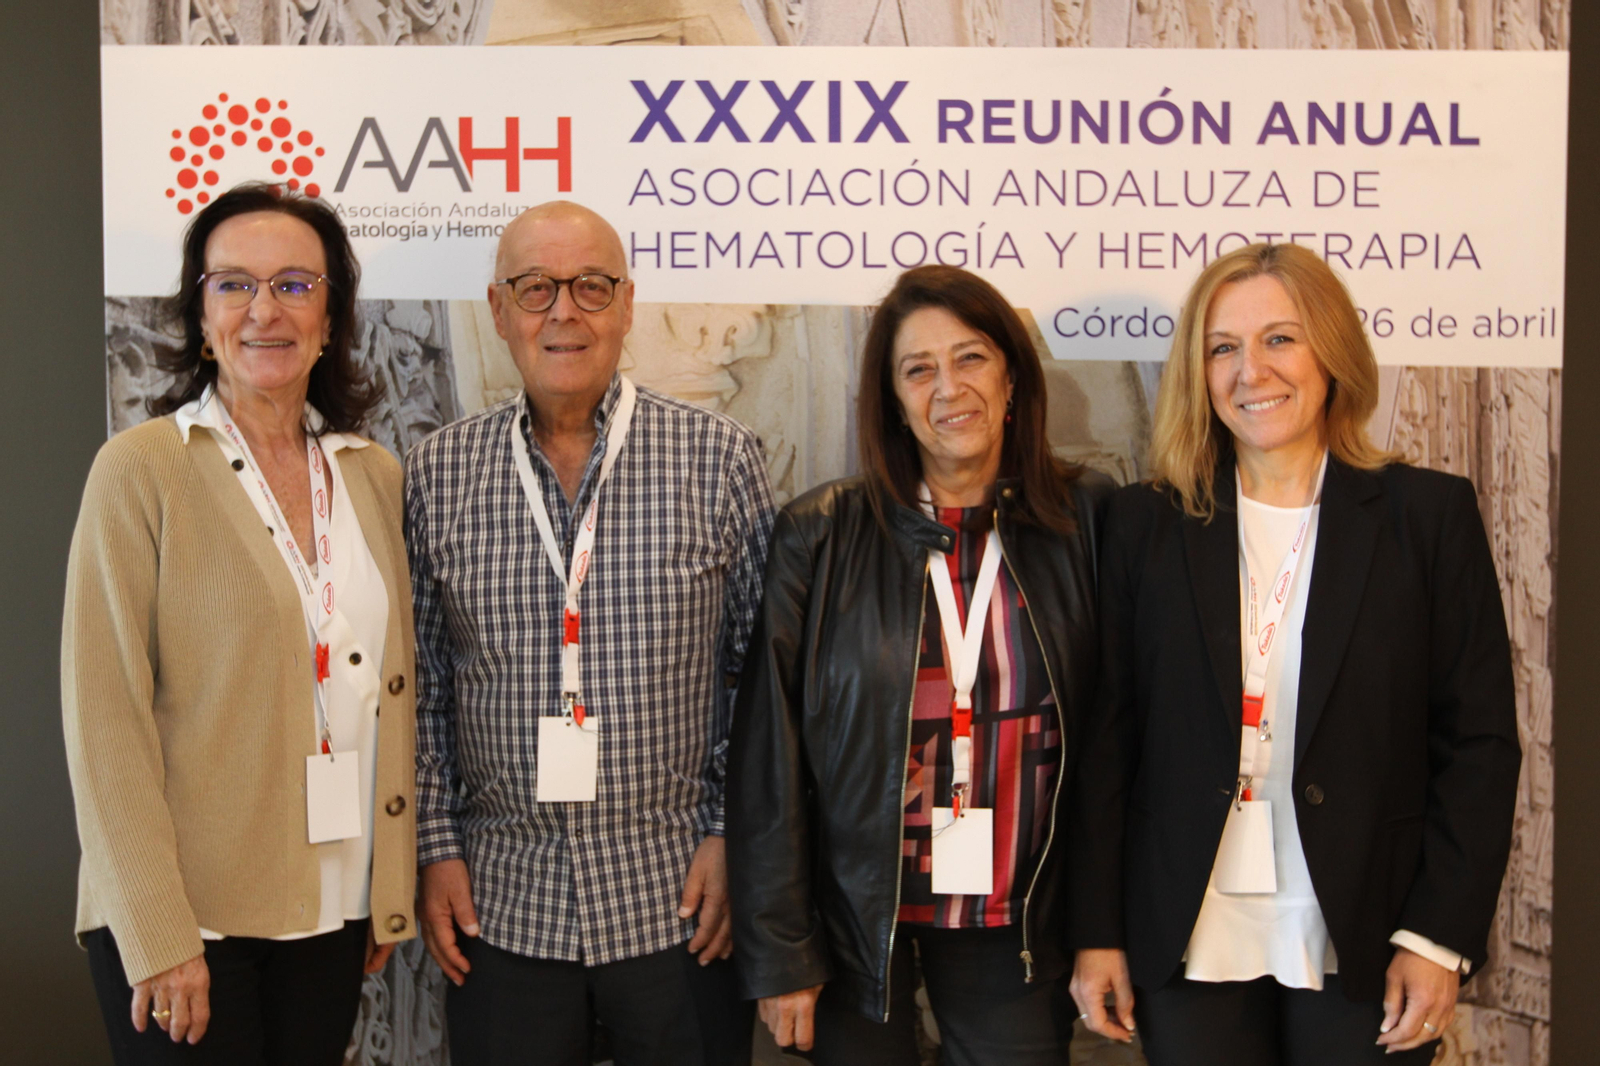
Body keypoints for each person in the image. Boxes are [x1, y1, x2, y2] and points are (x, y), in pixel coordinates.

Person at [1067, 242, 1521, 1065]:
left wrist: (1438, 934)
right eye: (1223, 347)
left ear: (1332, 353)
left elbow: (1479, 745)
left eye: (1280, 338)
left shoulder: (1427, 517)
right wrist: (1097, 929)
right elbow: (1108, 742)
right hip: (1188, 930)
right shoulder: (1145, 525)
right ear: (1197, 373)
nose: (1252, 371)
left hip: (1368, 932)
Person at [405, 201, 775, 1066]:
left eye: (591, 286)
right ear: (499, 310)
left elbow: (758, 679)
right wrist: (436, 848)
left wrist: (729, 834)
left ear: (627, 304)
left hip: (679, 900)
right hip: (500, 904)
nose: (563, 310)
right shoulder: (437, 472)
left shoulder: (719, 459)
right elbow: (419, 688)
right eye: (536, 288)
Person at [62, 182, 418, 1065]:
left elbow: (389, 690)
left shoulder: (372, 474)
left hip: (330, 904)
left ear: (332, 317)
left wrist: (384, 882)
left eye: (296, 285)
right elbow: (104, 721)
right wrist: (157, 930)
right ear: (202, 311)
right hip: (190, 916)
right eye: (235, 285)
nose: (266, 310)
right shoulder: (140, 470)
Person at [728, 265, 1112, 1065]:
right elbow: (771, 757)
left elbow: (1119, 744)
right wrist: (782, 949)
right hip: (857, 920)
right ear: (894, 401)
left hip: (1018, 918)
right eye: (919, 369)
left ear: (1012, 377)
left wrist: (1104, 930)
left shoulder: (1092, 524)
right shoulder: (819, 535)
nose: (949, 388)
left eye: (970, 358)